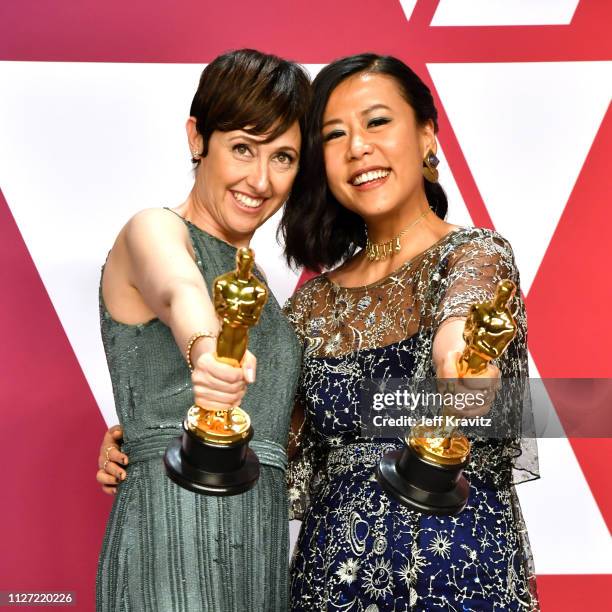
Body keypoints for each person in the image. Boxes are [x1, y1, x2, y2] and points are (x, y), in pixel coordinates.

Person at [280, 54, 539, 610]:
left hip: (457, 570)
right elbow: (266, 441)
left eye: (377, 122)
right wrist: (157, 441)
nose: (357, 147)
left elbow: (461, 347)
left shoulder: (473, 256)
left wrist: (465, 371)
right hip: (329, 581)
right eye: (333, 135)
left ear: (426, 135)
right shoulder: (310, 305)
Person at [95, 49, 310, 611]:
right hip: (171, 533)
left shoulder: (261, 285)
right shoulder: (154, 230)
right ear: (198, 138)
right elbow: (179, 291)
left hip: (258, 547)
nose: (260, 180)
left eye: (283, 157)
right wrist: (206, 352)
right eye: (242, 148)